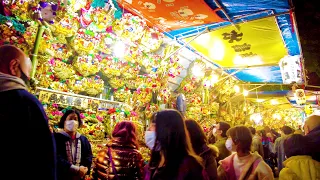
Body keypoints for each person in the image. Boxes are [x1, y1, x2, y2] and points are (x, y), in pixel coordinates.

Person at [0, 45, 56, 179]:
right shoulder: (25, 101)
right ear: (14, 66)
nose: (29, 78)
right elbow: (43, 155)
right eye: (28, 71)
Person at [145, 109, 208, 180]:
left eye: (153, 126)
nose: (148, 130)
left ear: (167, 131)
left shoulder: (189, 166)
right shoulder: (154, 162)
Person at [55, 110, 93, 180]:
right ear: (64, 121)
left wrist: (84, 169)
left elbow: (89, 156)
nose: (73, 121)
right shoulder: (56, 138)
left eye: (75, 119)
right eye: (70, 119)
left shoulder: (83, 139)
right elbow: (56, 157)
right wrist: (76, 169)